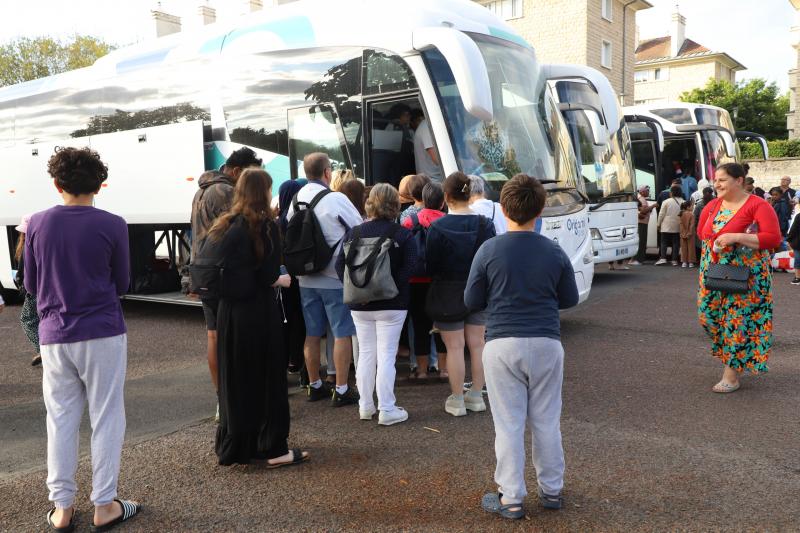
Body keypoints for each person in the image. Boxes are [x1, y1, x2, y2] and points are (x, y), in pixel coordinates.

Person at [25, 147, 140, 530]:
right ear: (99, 185)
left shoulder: (38, 224)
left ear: (57, 184)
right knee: (106, 416)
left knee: (60, 419)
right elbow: (122, 282)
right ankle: (104, 504)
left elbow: (29, 283)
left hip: (54, 333)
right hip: (103, 330)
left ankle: (62, 508)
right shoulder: (113, 224)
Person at [465, 174, 579, 520]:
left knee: (508, 423)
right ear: (541, 208)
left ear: (503, 208)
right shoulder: (554, 250)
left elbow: (471, 299)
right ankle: (552, 490)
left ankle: (511, 497)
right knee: (547, 419)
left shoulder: (489, 249)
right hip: (546, 340)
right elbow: (569, 299)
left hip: (501, 342)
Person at [202, 168, 308, 466]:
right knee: (268, 378)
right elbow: (267, 274)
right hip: (259, 312)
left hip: (229, 313)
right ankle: (273, 447)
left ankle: (237, 446)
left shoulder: (224, 225)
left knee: (237, 378)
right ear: (264, 192)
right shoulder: (266, 227)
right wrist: (279, 280)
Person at [335, 184, 418, 425]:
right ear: (395, 204)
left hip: (360, 305)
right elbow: (411, 265)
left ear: (369, 202)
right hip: (393, 304)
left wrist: (358, 289)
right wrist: (390, 289)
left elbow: (341, 266)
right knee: (386, 355)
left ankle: (365, 406)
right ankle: (387, 408)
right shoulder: (402, 234)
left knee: (366, 354)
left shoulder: (354, 233)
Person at [286, 153, 364, 406]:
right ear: (327, 172)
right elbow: (358, 227)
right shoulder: (336, 198)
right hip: (333, 276)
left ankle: (314, 384)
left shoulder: (297, 199)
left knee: (312, 333)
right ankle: (341, 388)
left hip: (305, 277)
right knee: (341, 333)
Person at [697, 163, 782, 393]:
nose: (717, 184)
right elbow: (702, 234)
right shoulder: (713, 206)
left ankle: (731, 375)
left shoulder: (758, 205)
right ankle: (734, 356)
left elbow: (773, 238)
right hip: (714, 272)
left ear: (739, 181)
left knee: (736, 321)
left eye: (722, 180)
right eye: (716, 180)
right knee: (708, 316)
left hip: (746, 276)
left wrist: (736, 237)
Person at [191, 147, 263, 413]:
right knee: (231, 336)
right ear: (235, 171)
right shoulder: (225, 191)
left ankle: (222, 398)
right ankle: (234, 398)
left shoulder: (202, 189)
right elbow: (244, 225)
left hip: (203, 270)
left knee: (214, 336)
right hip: (223, 272)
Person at [426, 172, 496, 417]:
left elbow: (430, 265)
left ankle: (456, 400)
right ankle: (476, 396)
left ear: (445, 197)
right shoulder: (485, 224)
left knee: (454, 347)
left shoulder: (437, 227)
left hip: (447, 291)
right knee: (478, 345)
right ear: (469, 194)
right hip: (478, 290)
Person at [401, 181, 447, 380]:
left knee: (419, 324)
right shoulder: (448, 221)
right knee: (442, 324)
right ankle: (444, 370)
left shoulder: (409, 221)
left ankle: (421, 371)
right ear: (442, 202)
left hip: (415, 281)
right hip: (441, 281)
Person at [277, 178, 308, 378]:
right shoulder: (299, 218)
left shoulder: (276, 222)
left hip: (281, 278)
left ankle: (287, 359)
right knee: (300, 319)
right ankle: (298, 361)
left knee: (284, 320)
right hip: (299, 275)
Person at [13, 214, 41, 366]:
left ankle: (43, 350)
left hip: (34, 290)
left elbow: (24, 272)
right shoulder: (43, 242)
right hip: (47, 288)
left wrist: (22, 285)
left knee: (27, 320)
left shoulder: (26, 246)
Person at [655, 185, 683, 266]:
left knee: (664, 242)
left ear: (672, 193)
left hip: (666, 225)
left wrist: (658, 224)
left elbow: (661, 214)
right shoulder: (683, 201)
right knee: (676, 243)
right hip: (677, 225)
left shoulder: (666, 202)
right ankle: (674, 260)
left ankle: (663, 258)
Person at [630, 185, 655, 265]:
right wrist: (653, 206)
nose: (648, 192)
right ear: (642, 191)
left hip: (641, 222)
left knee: (640, 241)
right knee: (641, 241)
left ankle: (635, 259)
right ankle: (638, 260)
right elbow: (643, 211)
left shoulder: (639, 198)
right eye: (647, 190)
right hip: (642, 222)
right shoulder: (642, 199)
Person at [679, 200, 697, 268]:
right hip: (690, 234)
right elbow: (692, 225)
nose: (693, 207)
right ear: (688, 207)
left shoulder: (681, 214)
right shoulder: (692, 214)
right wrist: (689, 233)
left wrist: (683, 233)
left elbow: (680, 225)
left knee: (683, 248)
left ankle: (684, 262)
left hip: (682, 233)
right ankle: (691, 262)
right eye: (692, 206)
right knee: (691, 248)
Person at [786, 210, 800, 285]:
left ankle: (797, 278)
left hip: (798, 242)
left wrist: (789, 239)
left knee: (798, 259)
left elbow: (793, 229)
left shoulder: (798, 216)